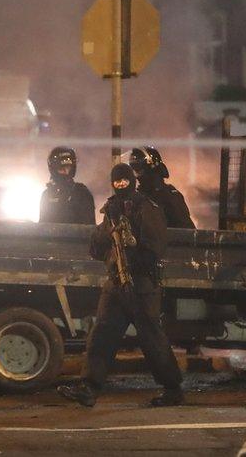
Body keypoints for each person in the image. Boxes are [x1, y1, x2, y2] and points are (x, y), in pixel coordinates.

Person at [56, 164, 184, 407]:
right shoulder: (112, 209)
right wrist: (109, 231)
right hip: (116, 283)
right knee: (102, 334)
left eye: (125, 181)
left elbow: (155, 246)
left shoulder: (147, 208)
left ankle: (173, 388)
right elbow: (95, 249)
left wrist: (133, 251)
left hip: (142, 285)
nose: (121, 185)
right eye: (117, 182)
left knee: (151, 338)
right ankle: (89, 387)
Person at [129, 147, 195, 229]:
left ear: (150, 167)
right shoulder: (137, 198)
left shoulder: (170, 197)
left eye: (138, 168)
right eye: (134, 169)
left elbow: (186, 232)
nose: (136, 174)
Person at [39, 147, 95, 225]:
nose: (66, 172)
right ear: (54, 170)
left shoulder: (82, 193)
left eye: (68, 169)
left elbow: (90, 228)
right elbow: (42, 227)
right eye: (61, 169)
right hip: (52, 237)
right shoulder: (47, 195)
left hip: (77, 237)